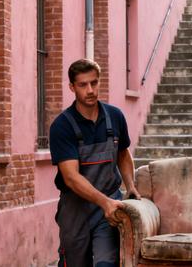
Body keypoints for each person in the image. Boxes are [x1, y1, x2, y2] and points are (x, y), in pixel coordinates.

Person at [49, 59, 140, 267]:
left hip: (108, 208)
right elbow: (71, 178)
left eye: (94, 83)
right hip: (75, 209)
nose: (90, 90)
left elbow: (123, 153)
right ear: (72, 87)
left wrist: (131, 186)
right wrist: (103, 201)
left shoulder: (115, 116)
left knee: (106, 263)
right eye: (83, 85)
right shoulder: (62, 126)